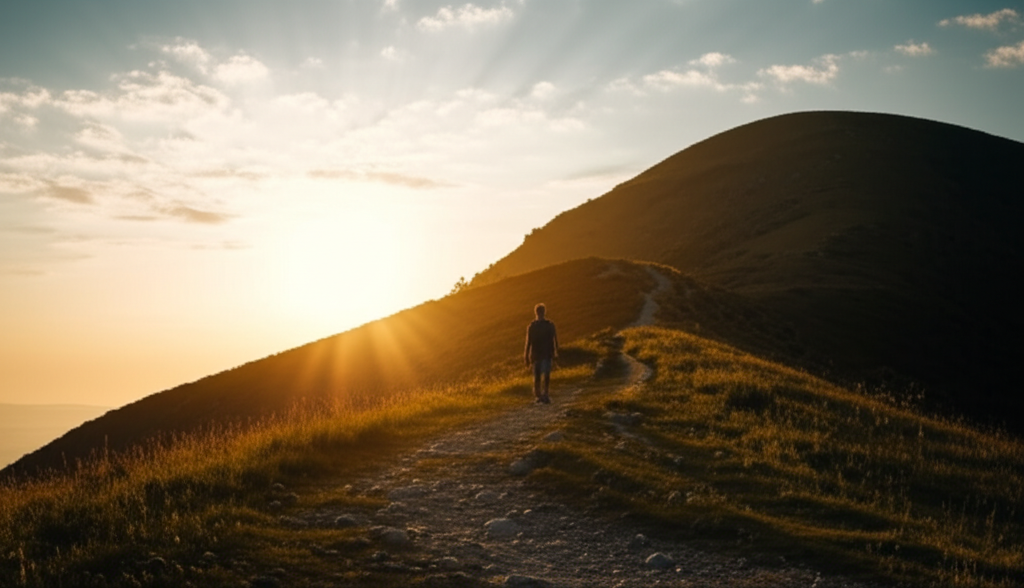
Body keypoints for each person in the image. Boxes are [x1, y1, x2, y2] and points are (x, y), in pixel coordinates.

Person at [524, 303, 558, 404]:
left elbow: (528, 342)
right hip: (546, 353)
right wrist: (555, 352)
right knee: (545, 374)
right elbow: (555, 340)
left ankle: (540, 394)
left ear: (536, 312)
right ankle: (544, 394)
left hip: (537, 354)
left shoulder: (532, 326)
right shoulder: (549, 325)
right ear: (544, 312)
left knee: (538, 375)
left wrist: (526, 355)